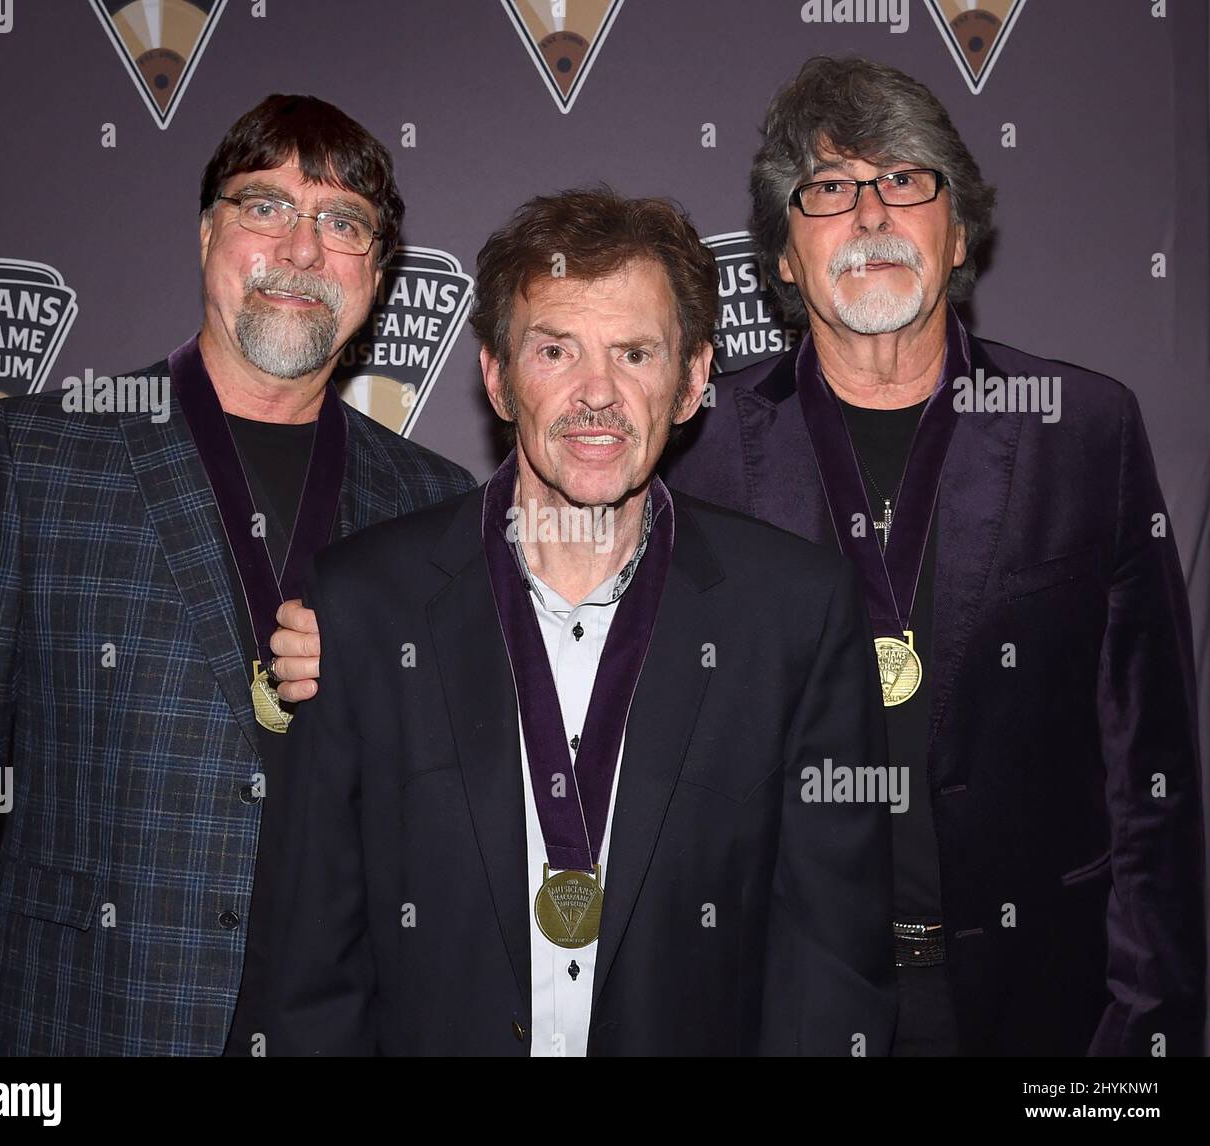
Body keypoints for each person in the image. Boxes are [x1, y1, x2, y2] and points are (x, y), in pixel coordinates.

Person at [262, 188, 895, 1057]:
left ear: (692, 380)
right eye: (555, 350)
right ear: (497, 376)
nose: (596, 393)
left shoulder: (796, 616)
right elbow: (308, 979)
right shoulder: (366, 605)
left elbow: (830, 975)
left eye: (635, 353)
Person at [0, 93, 475, 1056]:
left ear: (375, 276)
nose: (302, 249)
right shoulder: (39, 456)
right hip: (88, 1021)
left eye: (342, 223)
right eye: (266, 207)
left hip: (344, 1025)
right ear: (208, 232)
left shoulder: (438, 502)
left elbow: (453, 811)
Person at [662, 56, 1206, 1056]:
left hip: (1044, 1004)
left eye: (906, 179)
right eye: (826, 189)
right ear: (782, 254)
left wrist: (1144, 1030)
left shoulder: (1082, 430)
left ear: (959, 232)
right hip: (777, 1003)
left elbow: (1152, 771)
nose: (869, 213)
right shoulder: (692, 451)